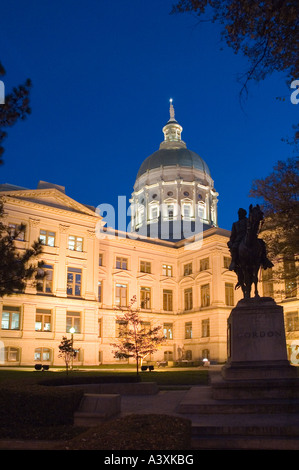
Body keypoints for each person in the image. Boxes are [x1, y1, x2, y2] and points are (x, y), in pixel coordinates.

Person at [227, 207, 273, 272]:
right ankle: (233, 261)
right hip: (239, 238)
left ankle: (265, 259)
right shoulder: (235, 224)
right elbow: (233, 235)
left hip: (248, 236)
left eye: (241, 213)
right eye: (239, 213)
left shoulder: (248, 221)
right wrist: (231, 241)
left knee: (262, 243)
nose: (240, 215)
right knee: (234, 247)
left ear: (244, 214)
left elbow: (254, 227)